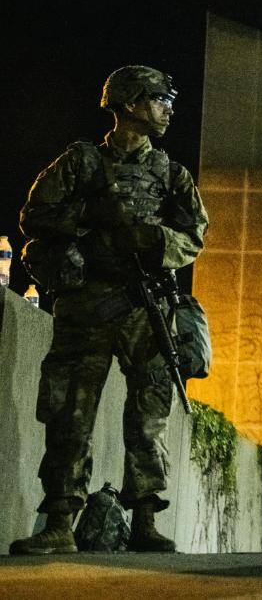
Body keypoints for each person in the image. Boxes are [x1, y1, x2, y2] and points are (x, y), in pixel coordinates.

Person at [9, 66, 208, 555]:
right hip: (88, 301)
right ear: (131, 103)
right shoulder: (81, 163)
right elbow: (35, 216)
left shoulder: (170, 174)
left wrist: (155, 239)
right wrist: (88, 231)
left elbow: (194, 237)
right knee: (70, 411)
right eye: (160, 99)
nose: (167, 110)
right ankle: (59, 520)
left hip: (145, 303)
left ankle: (145, 519)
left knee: (149, 413)